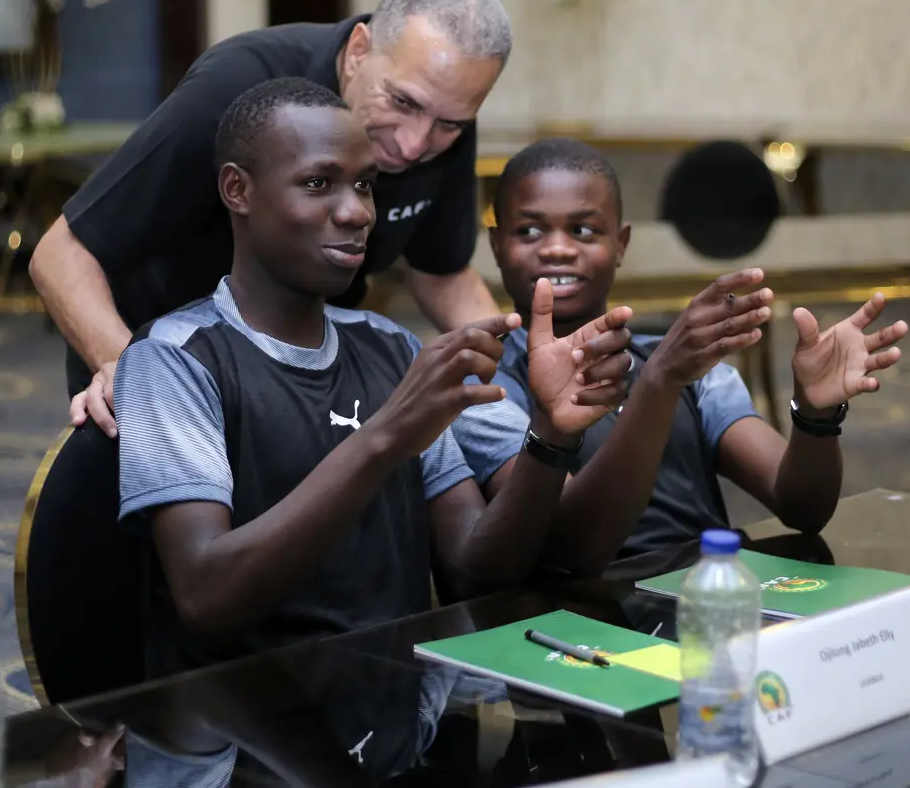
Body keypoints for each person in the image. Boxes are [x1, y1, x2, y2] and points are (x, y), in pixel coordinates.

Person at [114, 81, 635, 678]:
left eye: (364, 184)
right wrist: (385, 435)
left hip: (395, 713)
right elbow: (208, 599)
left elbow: (472, 570)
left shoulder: (388, 346)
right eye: (318, 183)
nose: (357, 211)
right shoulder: (174, 358)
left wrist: (549, 435)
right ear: (238, 190)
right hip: (250, 733)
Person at [33, 0, 514, 437]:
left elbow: (442, 275)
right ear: (359, 52)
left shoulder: (442, 119)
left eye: (449, 124)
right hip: (162, 347)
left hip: (306, 360)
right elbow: (61, 253)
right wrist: (135, 372)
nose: (413, 145)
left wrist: (521, 371)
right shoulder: (234, 91)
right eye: (402, 103)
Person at [456, 139, 910, 575]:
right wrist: (658, 383)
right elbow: (572, 550)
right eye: (530, 230)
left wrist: (815, 415)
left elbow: (801, 506)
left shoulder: (690, 368)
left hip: (707, 599)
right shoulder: (486, 388)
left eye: (583, 230)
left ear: (621, 245)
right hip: (583, 625)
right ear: (496, 245)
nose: (557, 248)